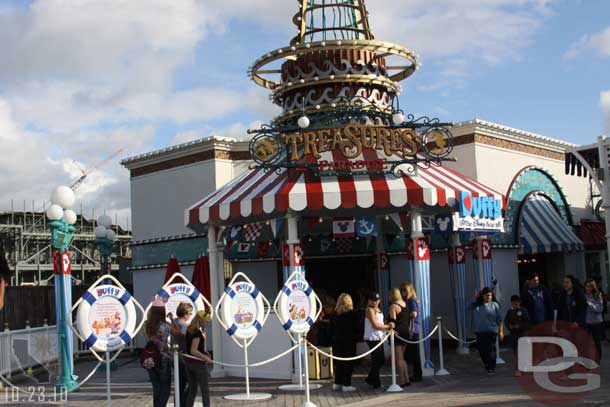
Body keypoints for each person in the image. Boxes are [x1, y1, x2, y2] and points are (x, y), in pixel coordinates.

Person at [145, 298, 172, 407]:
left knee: (156, 388)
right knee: (165, 388)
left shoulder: (147, 325)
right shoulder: (165, 326)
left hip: (149, 357)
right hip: (162, 358)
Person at [331, 293, 360, 392]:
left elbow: (331, 328)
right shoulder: (352, 314)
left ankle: (337, 383)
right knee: (349, 363)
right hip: (349, 341)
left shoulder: (335, 314)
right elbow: (357, 327)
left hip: (337, 341)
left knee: (339, 362)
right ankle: (346, 384)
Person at [472, 287, 504, 375]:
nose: (488, 297)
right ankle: (487, 364)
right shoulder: (476, 305)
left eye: (490, 295)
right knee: (481, 350)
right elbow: (467, 307)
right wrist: (476, 298)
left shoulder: (494, 305)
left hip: (491, 331)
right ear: (482, 296)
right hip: (479, 331)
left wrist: (501, 331)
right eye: (486, 295)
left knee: (490, 350)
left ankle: (491, 367)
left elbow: (500, 319)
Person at [185, 310, 213, 407]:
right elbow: (193, 350)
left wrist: (205, 352)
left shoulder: (190, 329)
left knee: (192, 390)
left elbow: (191, 347)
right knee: (205, 391)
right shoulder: (197, 332)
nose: (208, 323)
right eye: (206, 321)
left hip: (188, 363)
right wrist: (205, 357)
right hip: (198, 364)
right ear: (201, 320)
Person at [363, 292, 390, 389]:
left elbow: (380, 323)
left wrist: (388, 330)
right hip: (372, 337)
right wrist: (388, 326)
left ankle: (372, 379)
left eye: (377, 300)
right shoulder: (369, 310)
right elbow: (375, 325)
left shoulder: (377, 309)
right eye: (373, 300)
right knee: (377, 359)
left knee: (379, 359)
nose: (375, 302)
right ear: (369, 301)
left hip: (379, 337)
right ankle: (374, 381)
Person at [170, 302, 194, 407]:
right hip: (183, 358)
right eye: (190, 313)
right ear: (185, 314)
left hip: (175, 357)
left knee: (179, 385)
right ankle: (184, 404)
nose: (191, 315)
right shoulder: (183, 325)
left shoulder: (174, 322)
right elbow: (185, 340)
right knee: (192, 383)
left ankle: (178, 404)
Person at [388, 287, 410, 387]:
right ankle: (407, 379)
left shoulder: (393, 306)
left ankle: (402, 381)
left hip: (397, 333)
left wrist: (388, 328)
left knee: (399, 359)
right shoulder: (405, 304)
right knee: (403, 358)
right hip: (406, 333)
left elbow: (393, 321)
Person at [400, 283, 422, 382]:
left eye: (405, 290)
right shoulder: (408, 300)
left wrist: (405, 315)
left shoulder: (412, 300)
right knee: (410, 354)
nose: (403, 292)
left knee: (414, 354)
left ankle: (417, 374)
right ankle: (413, 374)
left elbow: (414, 313)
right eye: (402, 290)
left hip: (413, 330)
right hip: (410, 330)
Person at [504, 295, 530, 376]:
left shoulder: (523, 311)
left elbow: (527, 322)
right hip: (513, 335)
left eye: (516, 303)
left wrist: (520, 326)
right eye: (513, 303)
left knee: (523, 352)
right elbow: (506, 321)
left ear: (519, 303)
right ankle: (517, 369)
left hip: (523, 334)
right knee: (515, 352)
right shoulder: (509, 311)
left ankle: (525, 367)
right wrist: (510, 326)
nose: (515, 305)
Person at [584, 279, 604, 361]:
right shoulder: (583, 296)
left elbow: (600, 309)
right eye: (586, 286)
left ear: (593, 287)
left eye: (590, 286)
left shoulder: (597, 295)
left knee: (596, 342)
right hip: (587, 322)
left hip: (596, 322)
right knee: (586, 343)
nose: (588, 288)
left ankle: (597, 360)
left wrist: (590, 304)